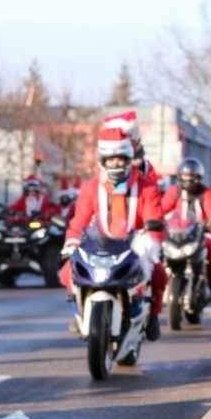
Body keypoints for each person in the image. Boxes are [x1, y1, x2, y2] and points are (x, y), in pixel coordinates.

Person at [60, 128, 166, 341]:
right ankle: (80, 310)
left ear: (129, 159)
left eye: (121, 159)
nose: (116, 165)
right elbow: (78, 221)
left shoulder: (147, 187)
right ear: (102, 160)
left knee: (158, 274)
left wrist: (150, 243)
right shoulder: (90, 188)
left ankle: (152, 316)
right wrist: (71, 243)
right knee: (66, 271)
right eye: (111, 160)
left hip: (133, 246)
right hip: (99, 246)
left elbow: (155, 219)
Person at [160, 157, 211, 300]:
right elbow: (161, 209)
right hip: (177, 233)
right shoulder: (173, 191)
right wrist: (157, 220)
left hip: (199, 233)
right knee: (157, 252)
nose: (188, 179)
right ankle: (157, 288)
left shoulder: (206, 193)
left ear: (198, 177)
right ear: (180, 176)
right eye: (185, 175)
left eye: (192, 176)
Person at [102, 110, 159, 184]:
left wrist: (136, 169)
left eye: (134, 142)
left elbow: (153, 188)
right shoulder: (105, 166)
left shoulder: (146, 167)